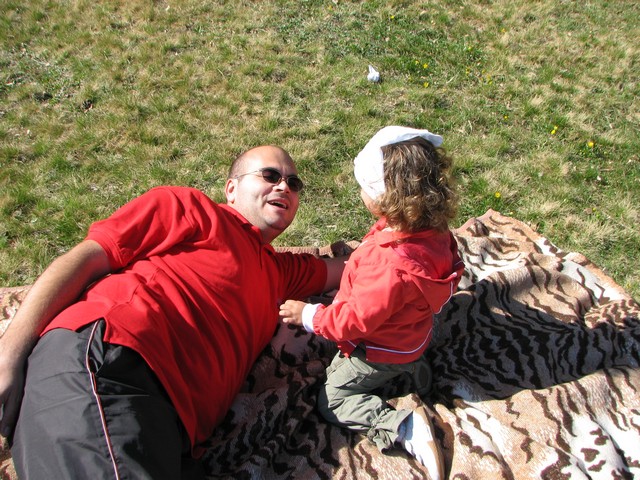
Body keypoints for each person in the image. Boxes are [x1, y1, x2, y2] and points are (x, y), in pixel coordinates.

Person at [0, 145, 346, 479]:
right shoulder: (191, 208)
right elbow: (88, 257)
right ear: (231, 189)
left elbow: (351, 267)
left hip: (174, 430)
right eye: (270, 175)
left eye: (294, 183)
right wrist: (9, 354)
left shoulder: (279, 272)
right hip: (112, 363)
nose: (284, 186)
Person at [279, 126, 464, 480]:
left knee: (332, 400)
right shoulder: (432, 231)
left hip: (378, 348)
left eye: (365, 187)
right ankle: (412, 368)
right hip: (412, 333)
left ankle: (403, 427)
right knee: (405, 342)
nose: (360, 193)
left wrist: (309, 315)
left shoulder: (389, 265)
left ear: (385, 198)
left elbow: (352, 323)